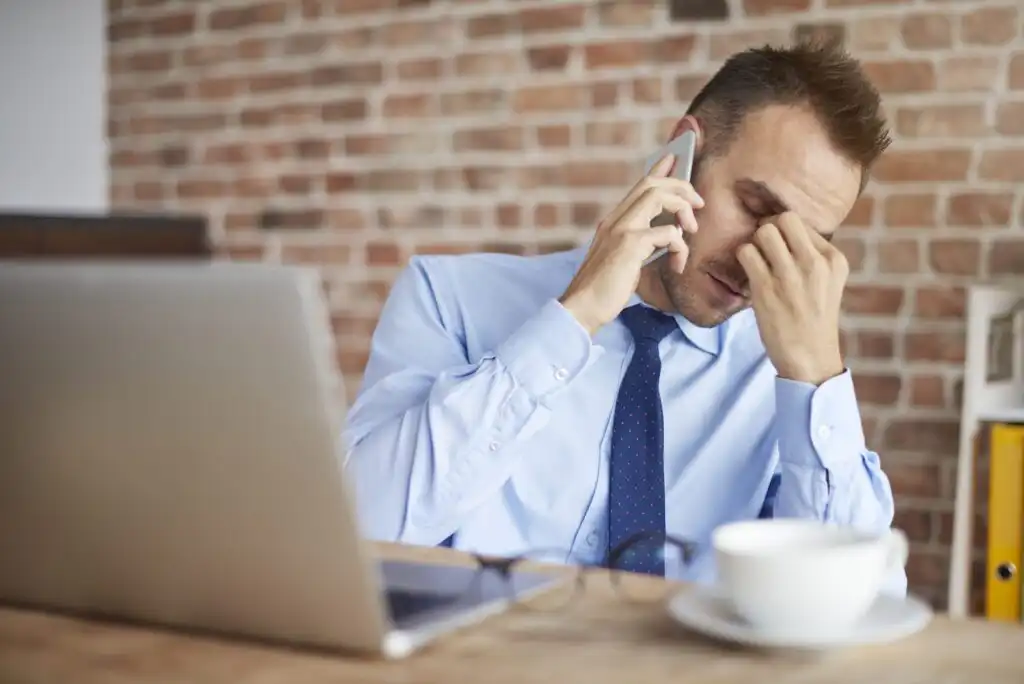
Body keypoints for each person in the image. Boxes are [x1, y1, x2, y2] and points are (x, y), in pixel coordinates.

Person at [343, 40, 906, 593]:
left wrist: (816, 377)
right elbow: (363, 530)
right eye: (756, 208)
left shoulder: (782, 383)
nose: (755, 261)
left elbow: (861, 604)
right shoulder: (451, 298)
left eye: (801, 242)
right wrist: (576, 316)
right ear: (683, 154)